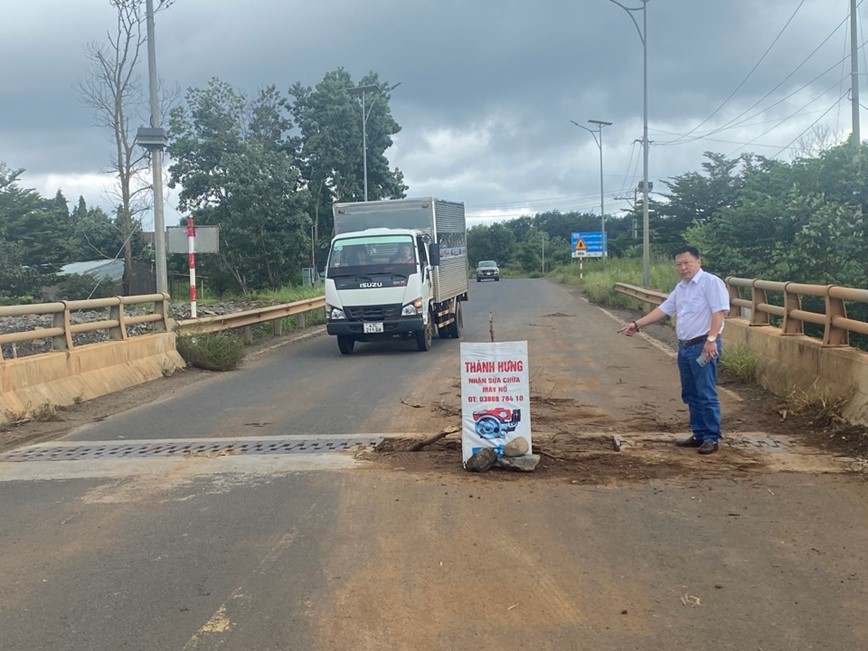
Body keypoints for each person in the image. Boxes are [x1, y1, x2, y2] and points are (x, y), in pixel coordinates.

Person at [617, 246, 730, 455]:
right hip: (685, 347)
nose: (683, 267)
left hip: (703, 345)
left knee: (706, 392)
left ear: (699, 262)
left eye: (687, 262)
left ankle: (711, 437)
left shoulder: (711, 283)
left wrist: (712, 340)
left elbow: (719, 313)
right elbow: (664, 310)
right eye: (679, 264)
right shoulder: (682, 288)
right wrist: (637, 324)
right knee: (690, 393)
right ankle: (698, 433)